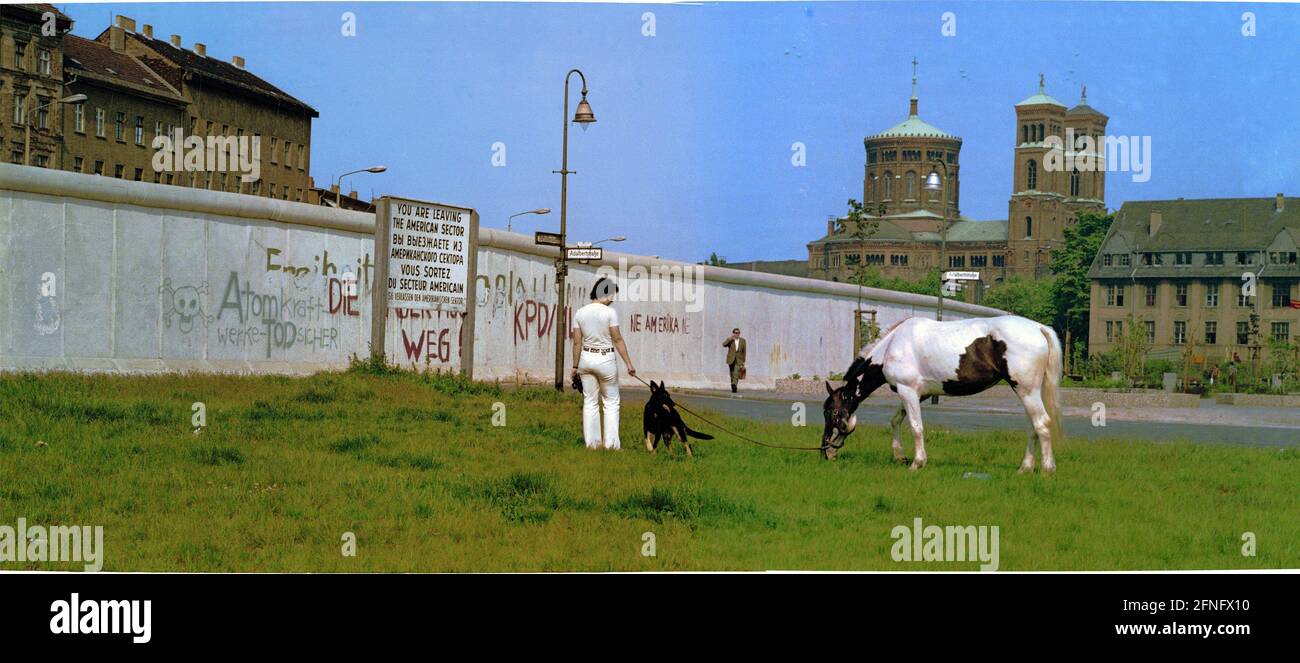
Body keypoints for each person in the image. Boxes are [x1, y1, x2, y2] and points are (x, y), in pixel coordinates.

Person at [569, 277, 635, 450]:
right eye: (612, 294)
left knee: (590, 402)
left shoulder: (580, 313)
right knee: (611, 402)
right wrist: (629, 364)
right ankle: (611, 445)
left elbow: (577, 342)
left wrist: (575, 366)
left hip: (586, 359)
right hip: (605, 360)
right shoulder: (609, 313)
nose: (613, 299)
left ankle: (592, 444)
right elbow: (617, 339)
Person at [723, 327, 746, 393]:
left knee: (736, 373)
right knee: (732, 373)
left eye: (738, 333)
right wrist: (729, 339)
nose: (737, 334)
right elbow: (723, 344)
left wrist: (743, 361)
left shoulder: (743, 341)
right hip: (731, 359)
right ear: (733, 333)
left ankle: (734, 385)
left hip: (739, 360)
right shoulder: (730, 340)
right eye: (736, 333)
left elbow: (744, 351)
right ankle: (732, 385)